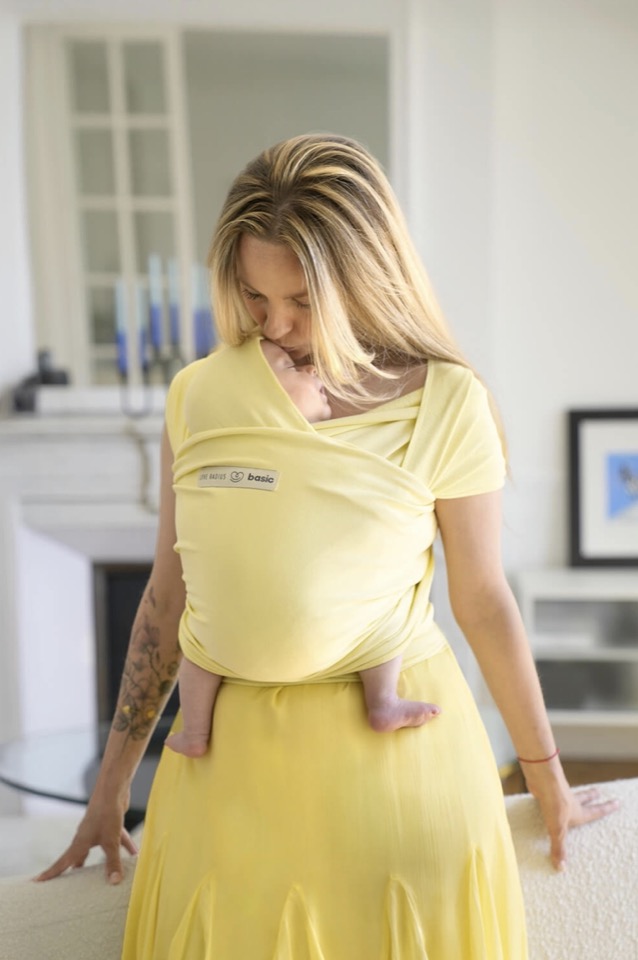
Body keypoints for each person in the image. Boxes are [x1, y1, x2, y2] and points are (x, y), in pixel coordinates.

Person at [37, 133, 619, 960]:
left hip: (403, 771)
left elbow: (483, 599)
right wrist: (110, 789)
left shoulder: (447, 404)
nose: (275, 325)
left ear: (365, 278)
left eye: (303, 300)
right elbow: (169, 595)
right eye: (254, 296)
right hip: (229, 775)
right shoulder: (201, 397)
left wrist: (546, 772)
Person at [165, 338, 439, 758]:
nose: (310, 369)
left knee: (196, 646)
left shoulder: (205, 462)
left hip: (222, 645)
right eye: (290, 368)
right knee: (384, 606)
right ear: (258, 400)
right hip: (341, 637)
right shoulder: (331, 453)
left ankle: (195, 730)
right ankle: (382, 702)